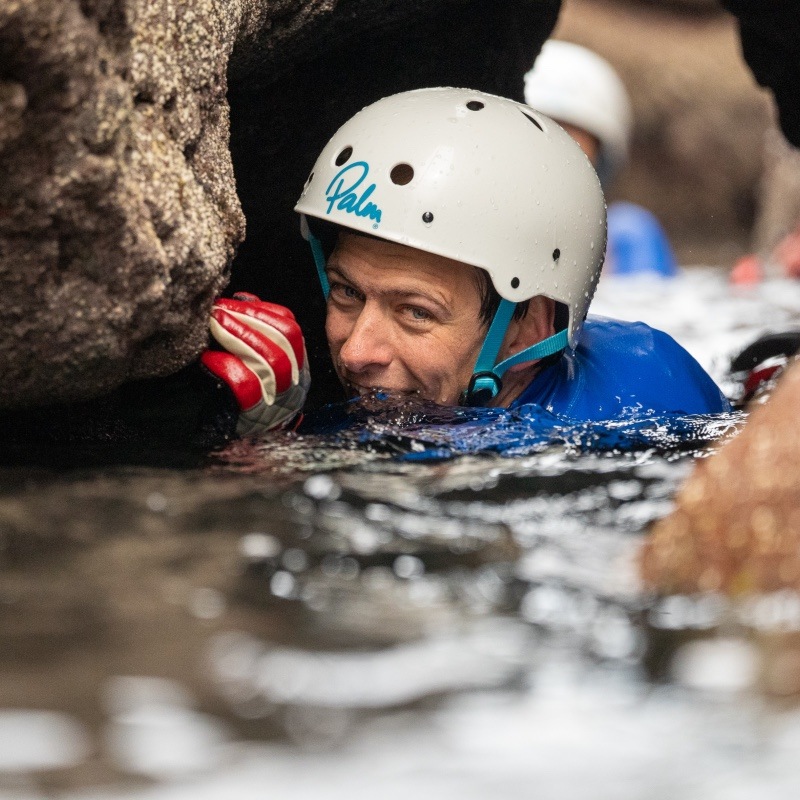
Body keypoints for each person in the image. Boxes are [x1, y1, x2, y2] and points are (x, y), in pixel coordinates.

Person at [213, 87, 728, 428]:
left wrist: (270, 458)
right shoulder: (392, 401)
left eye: (415, 312)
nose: (354, 353)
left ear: (528, 328)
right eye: (347, 292)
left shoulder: (641, 413)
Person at [523, 40, 678, 279]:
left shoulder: (628, 238)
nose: (552, 151)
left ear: (601, 156)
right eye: (537, 129)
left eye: (568, 135)